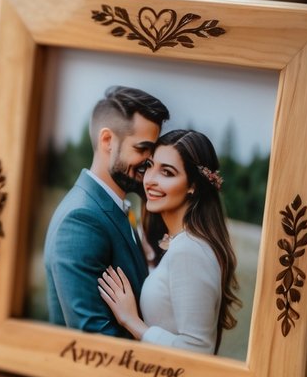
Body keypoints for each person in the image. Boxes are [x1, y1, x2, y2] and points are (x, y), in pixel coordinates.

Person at [97, 128, 241, 354]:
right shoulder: (178, 243)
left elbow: (198, 349)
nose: (150, 180)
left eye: (167, 172)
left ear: (193, 185)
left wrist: (132, 321)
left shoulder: (190, 250)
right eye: (149, 166)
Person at [43, 86, 170, 335]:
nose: (149, 162)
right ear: (107, 141)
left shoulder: (114, 209)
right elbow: (94, 340)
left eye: (152, 152)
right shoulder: (81, 220)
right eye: (141, 149)